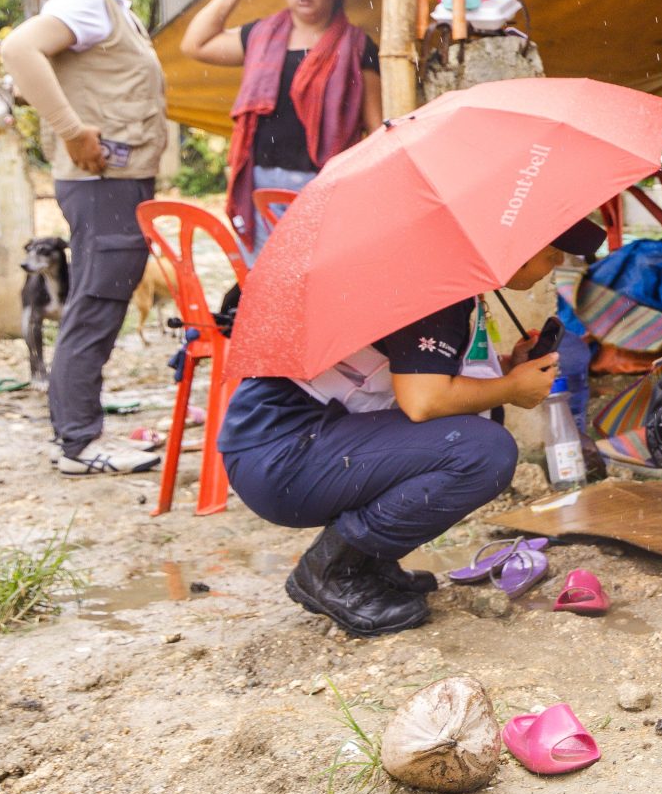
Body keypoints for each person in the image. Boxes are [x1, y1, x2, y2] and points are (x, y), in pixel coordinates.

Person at [217, 218, 606, 637]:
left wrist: (507, 373)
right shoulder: (435, 287)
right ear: (514, 245)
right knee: (482, 452)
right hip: (282, 457)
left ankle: (369, 562)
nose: (559, 261)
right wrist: (510, 388)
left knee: (473, 429)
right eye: (553, 249)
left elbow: (423, 383)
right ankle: (331, 572)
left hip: (296, 443)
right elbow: (424, 401)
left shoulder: (443, 276)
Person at [2, 0, 169, 476]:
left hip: (114, 182)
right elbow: (18, 50)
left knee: (99, 302)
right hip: (104, 183)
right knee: (95, 305)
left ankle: (79, 432)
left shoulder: (102, 1)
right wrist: (73, 131)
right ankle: (79, 442)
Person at [178, 0, 382, 253]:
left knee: (316, 281)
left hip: (326, 186)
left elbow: (376, 128)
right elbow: (195, 44)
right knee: (265, 284)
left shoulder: (356, 46)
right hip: (261, 184)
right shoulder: (261, 36)